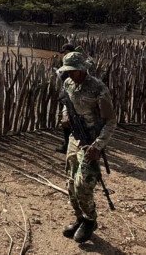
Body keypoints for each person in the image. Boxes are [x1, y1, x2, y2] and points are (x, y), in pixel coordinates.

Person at [57, 52, 117, 244]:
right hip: (75, 138)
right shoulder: (68, 83)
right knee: (70, 182)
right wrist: (65, 114)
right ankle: (80, 218)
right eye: (68, 71)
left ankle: (90, 220)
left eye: (73, 71)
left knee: (83, 184)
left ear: (83, 69)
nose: (70, 74)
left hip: (91, 141)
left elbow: (111, 121)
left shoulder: (98, 89)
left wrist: (98, 146)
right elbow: (66, 101)